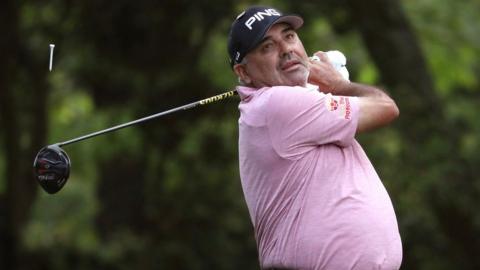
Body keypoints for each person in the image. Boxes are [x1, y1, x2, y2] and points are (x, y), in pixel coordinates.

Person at [227, 6, 402, 270]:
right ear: (244, 73)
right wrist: (339, 85)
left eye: (289, 36)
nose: (286, 49)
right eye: (267, 47)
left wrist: (324, 85)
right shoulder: (276, 103)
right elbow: (386, 108)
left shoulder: (280, 103)